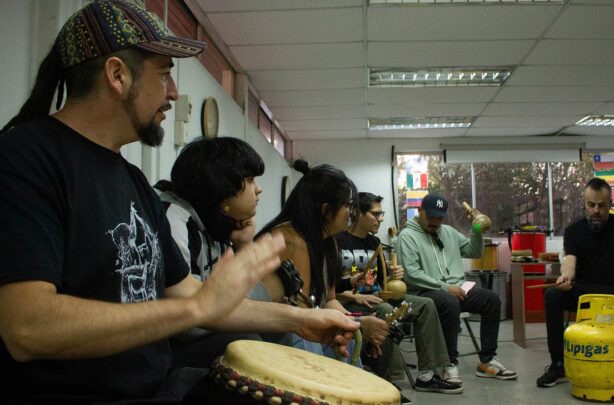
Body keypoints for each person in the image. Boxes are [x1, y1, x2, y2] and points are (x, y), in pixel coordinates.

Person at [0, 2, 356, 403]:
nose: (173, 93)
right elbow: (26, 328)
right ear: (117, 75)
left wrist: (301, 319)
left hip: (156, 386)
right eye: (165, 75)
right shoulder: (25, 159)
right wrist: (199, 308)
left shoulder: (132, 179)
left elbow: (185, 292)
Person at [256, 161, 414, 403]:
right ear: (326, 209)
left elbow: (328, 301)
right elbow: (301, 314)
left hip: (303, 324)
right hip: (278, 333)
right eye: (348, 206)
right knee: (318, 339)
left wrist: (355, 325)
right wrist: (360, 325)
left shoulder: (328, 242)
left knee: (347, 338)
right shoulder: (288, 239)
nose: (352, 212)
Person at [155, 136, 280, 368]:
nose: (259, 189)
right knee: (248, 342)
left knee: (277, 334)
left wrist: (244, 245)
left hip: (196, 334)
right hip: (166, 346)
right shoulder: (174, 220)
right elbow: (189, 324)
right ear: (221, 186)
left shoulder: (220, 222)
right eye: (250, 180)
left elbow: (239, 300)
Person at [536, 178, 614, 388]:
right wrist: (565, 277)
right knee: (553, 296)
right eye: (591, 205)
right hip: (583, 291)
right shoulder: (574, 230)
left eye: (601, 205)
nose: (596, 210)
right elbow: (569, 261)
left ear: (609, 205)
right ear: (584, 203)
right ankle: (558, 364)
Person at [335, 192, 462, 394]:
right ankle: (388, 380)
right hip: (348, 302)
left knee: (426, 304)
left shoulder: (374, 243)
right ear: (358, 213)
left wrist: (396, 276)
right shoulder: (337, 241)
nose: (381, 219)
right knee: (385, 309)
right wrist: (353, 295)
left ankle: (427, 375)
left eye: (381, 213)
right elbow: (329, 286)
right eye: (376, 214)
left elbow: (377, 281)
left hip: (376, 297)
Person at [396, 193, 518, 385]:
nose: (435, 222)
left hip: (456, 288)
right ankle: (448, 364)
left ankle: (487, 361)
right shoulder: (407, 237)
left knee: (491, 300)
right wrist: (445, 287)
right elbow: (411, 274)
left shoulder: (449, 232)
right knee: (449, 302)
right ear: (420, 211)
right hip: (424, 291)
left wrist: (476, 230)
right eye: (431, 216)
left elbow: (474, 251)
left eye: (439, 217)